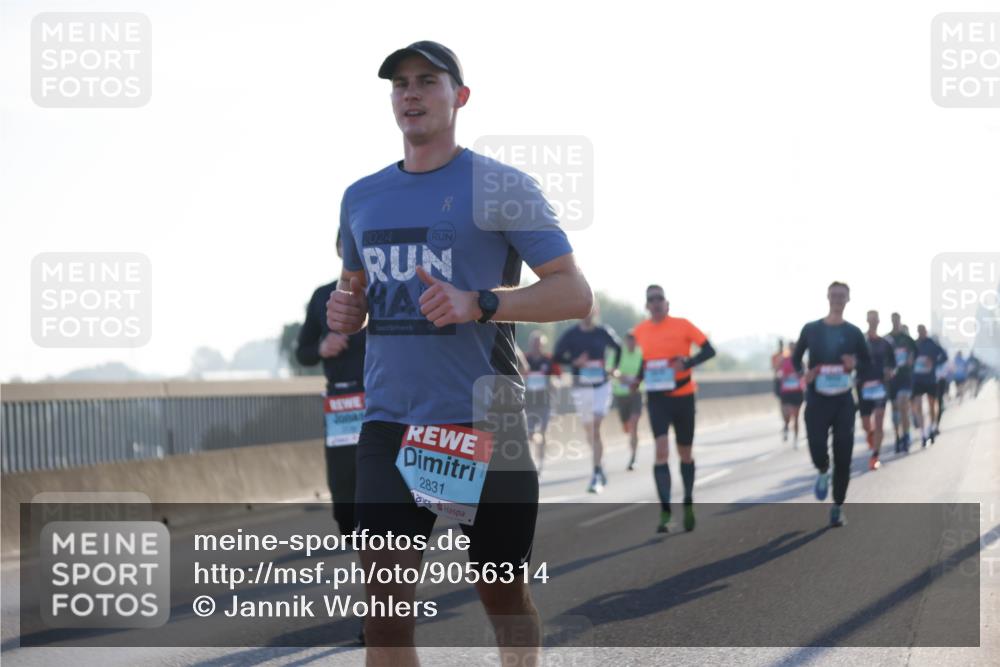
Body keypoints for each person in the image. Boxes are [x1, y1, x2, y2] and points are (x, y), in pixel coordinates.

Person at [327, 41, 592, 667]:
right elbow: (356, 288)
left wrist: (482, 302)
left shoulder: (500, 186)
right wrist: (348, 310)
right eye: (399, 84)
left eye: (426, 81)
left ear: (460, 97)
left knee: (500, 595)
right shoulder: (360, 196)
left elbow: (573, 292)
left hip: (479, 421)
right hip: (389, 424)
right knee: (385, 618)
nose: (410, 93)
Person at [296, 229, 367, 537]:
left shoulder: (386, 293)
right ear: (339, 249)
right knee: (342, 471)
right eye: (345, 244)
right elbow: (303, 352)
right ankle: (349, 527)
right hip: (341, 400)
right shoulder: (321, 295)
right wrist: (322, 347)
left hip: (381, 395)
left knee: (384, 466)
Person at [631, 284, 716, 533]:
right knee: (661, 450)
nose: (655, 303)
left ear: (666, 303)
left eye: (659, 298)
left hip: (684, 397)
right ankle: (666, 511)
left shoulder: (683, 325)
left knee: (685, 453)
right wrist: (637, 380)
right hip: (657, 399)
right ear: (647, 305)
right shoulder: (639, 332)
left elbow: (710, 350)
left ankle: (688, 500)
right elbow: (642, 363)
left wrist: (688, 362)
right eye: (651, 299)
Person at [792, 281, 871, 527]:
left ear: (848, 300)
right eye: (834, 294)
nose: (837, 299)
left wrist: (854, 363)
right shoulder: (811, 329)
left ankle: (837, 506)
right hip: (817, 398)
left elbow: (868, 364)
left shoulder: (854, 332)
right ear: (827, 297)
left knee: (844, 454)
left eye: (842, 296)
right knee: (817, 446)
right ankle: (822, 469)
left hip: (843, 401)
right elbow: (795, 359)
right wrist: (803, 373)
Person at [553, 303, 623, 493]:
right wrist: (574, 362)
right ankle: (600, 462)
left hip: (601, 386)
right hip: (581, 387)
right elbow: (556, 356)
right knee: (590, 432)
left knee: (595, 426)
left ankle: (596, 472)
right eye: (584, 310)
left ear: (596, 312)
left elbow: (619, 348)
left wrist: (615, 368)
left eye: (591, 310)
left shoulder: (603, 332)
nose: (587, 315)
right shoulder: (571, 335)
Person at [857, 310, 895, 471]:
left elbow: (893, 364)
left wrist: (890, 371)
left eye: (875, 319)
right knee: (866, 425)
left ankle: (875, 455)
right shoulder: (860, 341)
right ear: (867, 321)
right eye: (870, 319)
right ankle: (871, 436)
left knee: (879, 420)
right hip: (863, 386)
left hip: (880, 386)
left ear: (879, 321)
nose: (873, 322)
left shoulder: (885, 343)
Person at [523, 331, 561, 477]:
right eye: (534, 343)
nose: (536, 346)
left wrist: (553, 384)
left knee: (543, 432)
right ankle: (532, 458)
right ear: (530, 344)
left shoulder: (549, 360)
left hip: (545, 402)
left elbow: (559, 379)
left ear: (543, 345)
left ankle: (540, 463)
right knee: (530, 433)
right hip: (528, 402)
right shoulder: (524, 359)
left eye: (539, 344)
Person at [910, 325, 948, 448]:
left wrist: (934, 363)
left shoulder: (932, 344)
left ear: (926, 331)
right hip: (917, 379)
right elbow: (909, 358)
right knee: (917, 404)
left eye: (922, 331)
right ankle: (923, 433)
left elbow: (944, 356)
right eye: (919, 331)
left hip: (930, 379)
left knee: (932, 404)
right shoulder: (914, 344)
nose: (920, 333)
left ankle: (932, 427)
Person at [612, 330, 644, 471]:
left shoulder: (641, 353)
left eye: (633, 341)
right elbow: (611, 369)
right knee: (627, 427)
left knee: (634, 423)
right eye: (628, 341)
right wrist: (620, 376)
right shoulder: (618, 353)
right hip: (621, 393)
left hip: (636, 393)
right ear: (625, 342)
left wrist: (636, 380)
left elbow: (645, 371)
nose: (631, 344)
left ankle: (633, 457)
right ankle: (631, 433)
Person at [886, 313, 917, 453]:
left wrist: (911, 358)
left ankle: (906, 436)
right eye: (893, 320)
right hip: (892, 380)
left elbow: (916, 352)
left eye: (897, 320)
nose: (895, 322)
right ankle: (898, 436)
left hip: (905, 377)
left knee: (903, 405)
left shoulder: (907, 339)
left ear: (900, 321)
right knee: (895, 410)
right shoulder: (887, 339)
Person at [775, 340, 804, 447]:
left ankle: (796, 440)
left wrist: (799, 376)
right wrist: (781, 375)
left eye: (794, 348)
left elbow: (804, 373)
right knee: (786, 414)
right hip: (786, 391)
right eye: (791, 348)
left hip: (797, 391)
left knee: (796, 417)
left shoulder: (800, 361)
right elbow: (777, 371)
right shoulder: (783, 359)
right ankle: (786, 426)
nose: (793, 350)